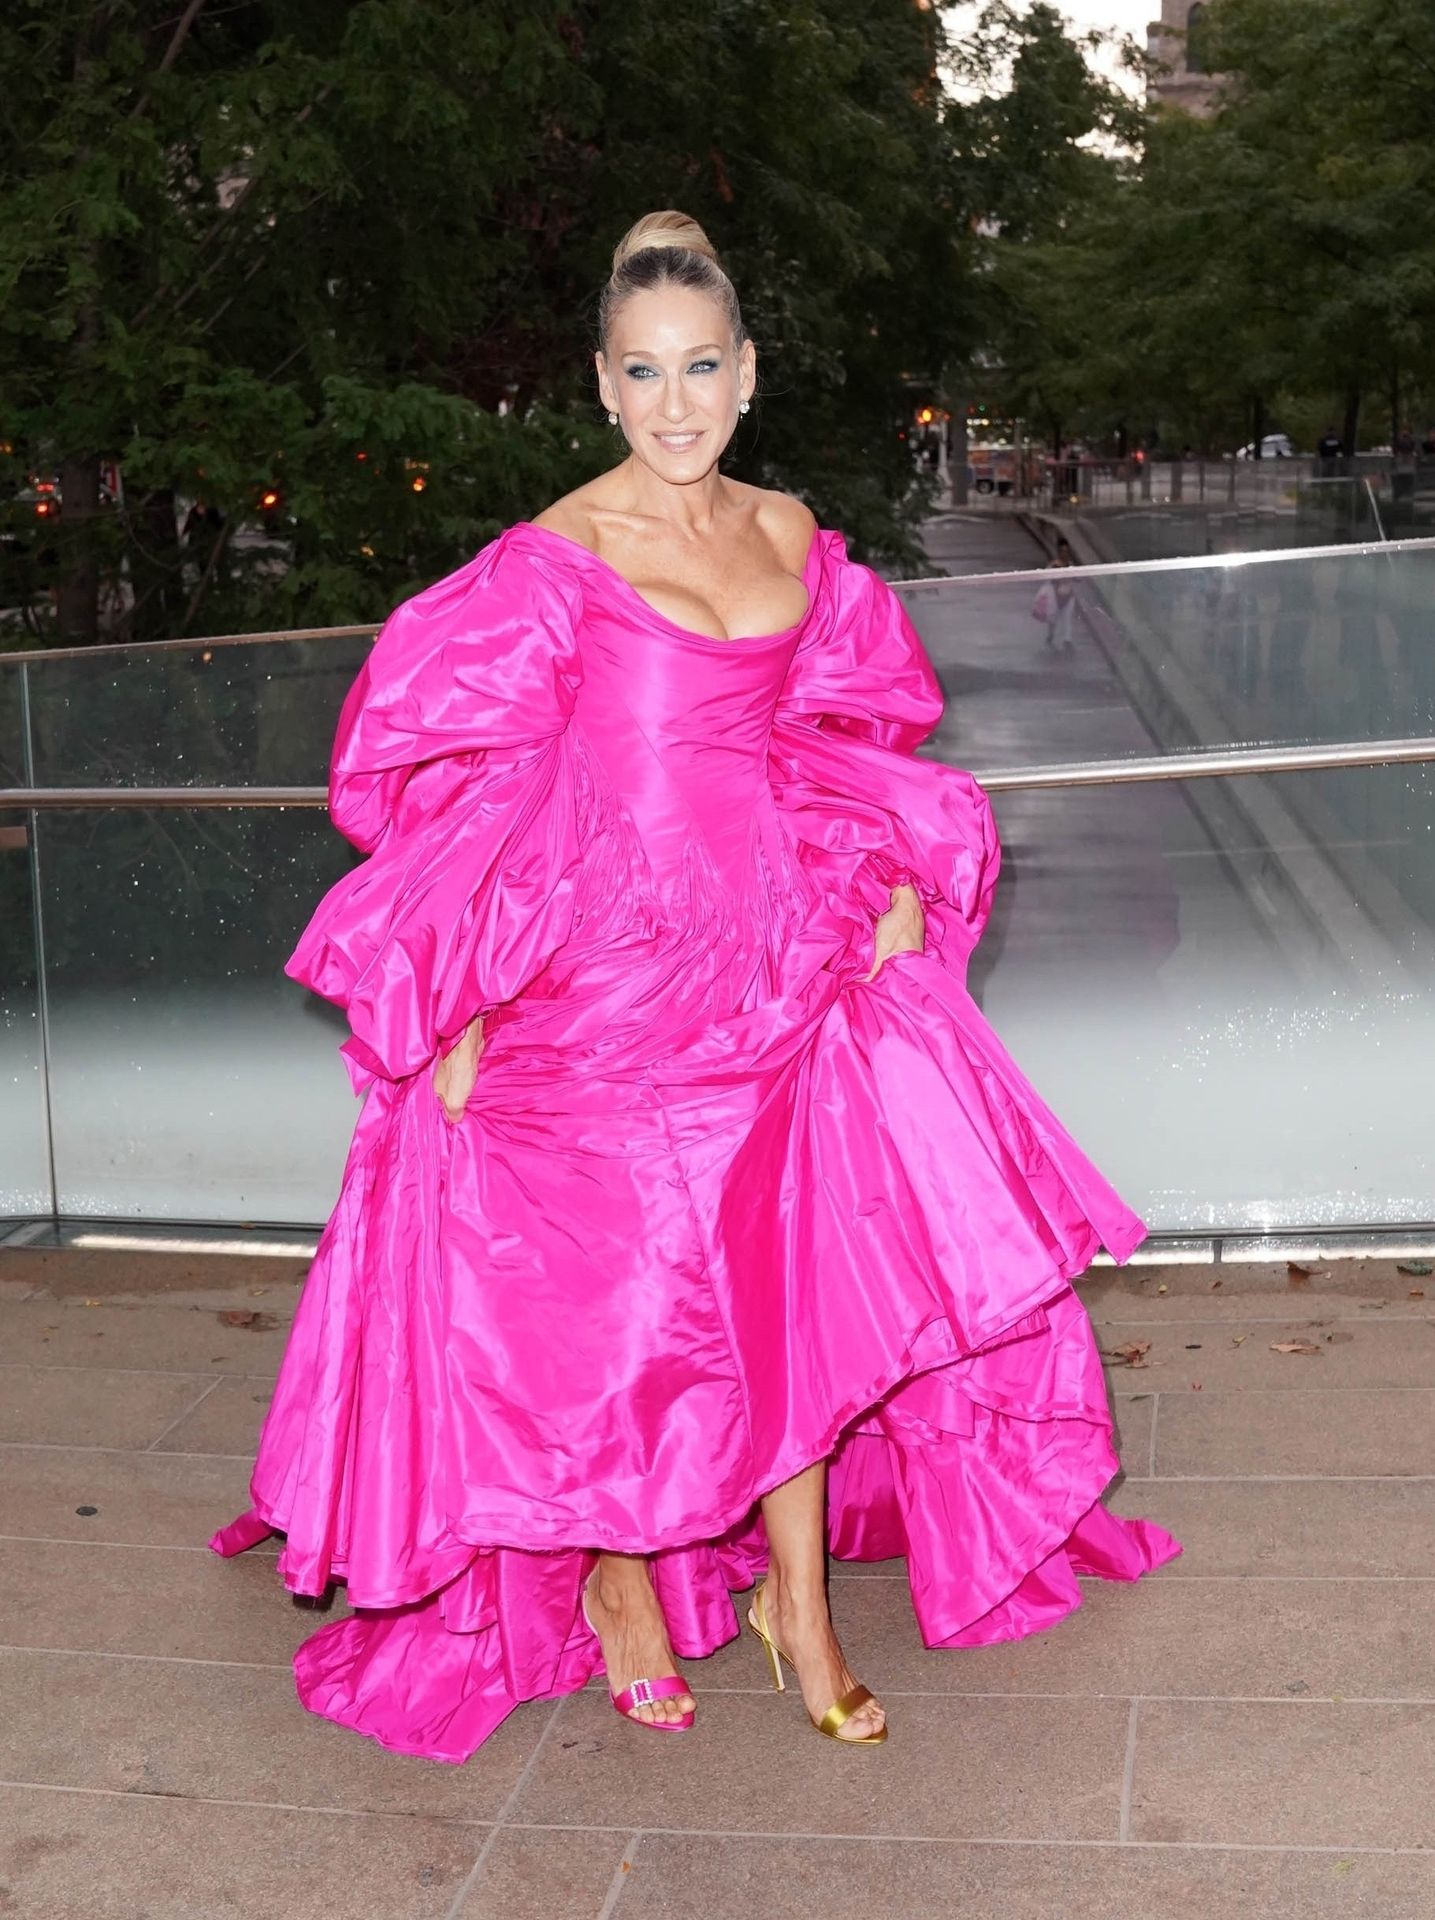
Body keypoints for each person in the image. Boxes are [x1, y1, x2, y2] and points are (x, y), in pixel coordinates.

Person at [212, 210, 1177, 1761]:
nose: (677, 402)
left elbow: (829, 733)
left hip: (779, 961)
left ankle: (802, 1605)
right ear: (603, 384)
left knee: (791, 1291)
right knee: (626, 1305)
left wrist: (889, 880)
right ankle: (619, 1585)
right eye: (645, 371)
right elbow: (474, 786)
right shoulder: (558, 559)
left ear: (747, 373)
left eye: (702, 367)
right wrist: (462, 1000)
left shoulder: (790, 536)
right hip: (606, 977)